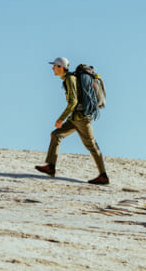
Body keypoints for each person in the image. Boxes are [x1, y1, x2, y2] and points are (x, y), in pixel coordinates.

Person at [35, 57, 109, 185]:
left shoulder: (70, 79)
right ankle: (50, 166)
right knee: (56, 135)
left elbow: (73, 102)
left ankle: (103, 176)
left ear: (61, 67)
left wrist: (60, 119)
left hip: (81, 119)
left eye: (55, 66)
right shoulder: (68, 79)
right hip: (76, 119)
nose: (53, 68)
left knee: (92, 146)